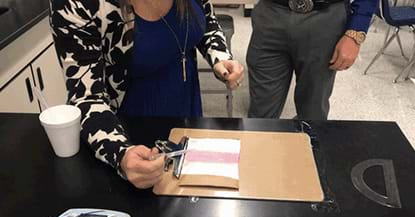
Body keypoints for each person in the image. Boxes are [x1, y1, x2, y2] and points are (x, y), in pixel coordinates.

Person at [49, 0, 244, 189]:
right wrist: (122, 154)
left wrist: (219, 56)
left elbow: (206, 18)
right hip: (126, 137)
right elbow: (87, 97)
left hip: (186, 117)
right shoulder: (77, 4)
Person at [247, 0, 377, 120]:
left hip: (325, 19)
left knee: (313, 113)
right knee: (261, 114)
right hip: (271, 13)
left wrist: (356, 30)